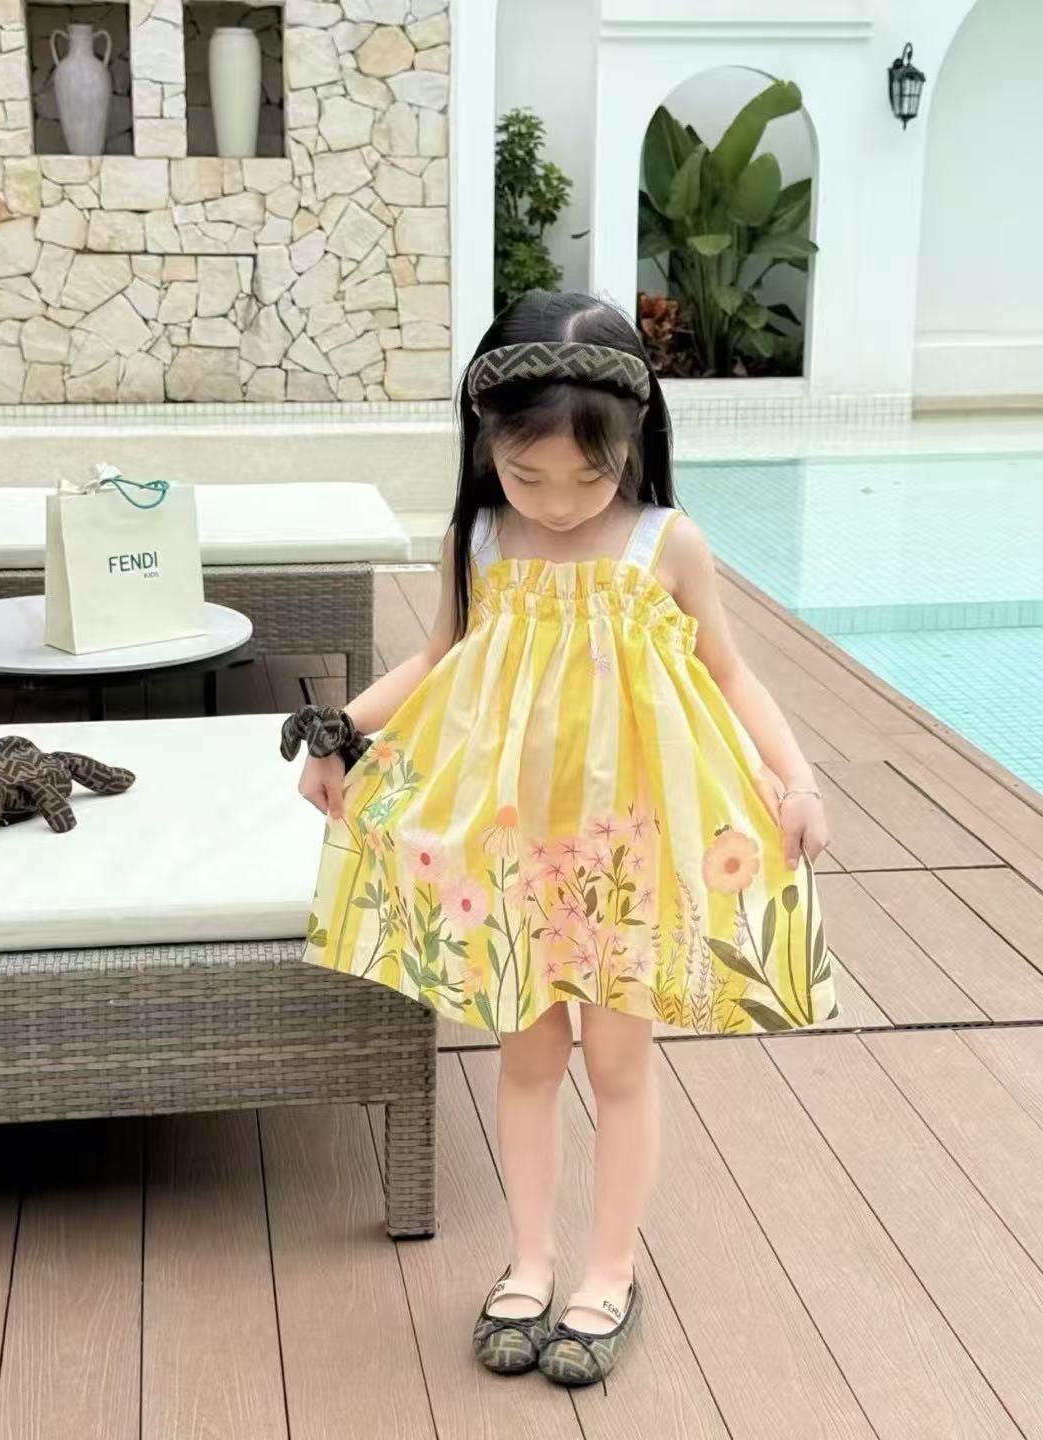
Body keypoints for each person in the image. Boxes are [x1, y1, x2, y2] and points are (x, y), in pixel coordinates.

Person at [284, 289, 835, 1394]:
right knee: (528, 1058)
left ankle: (609, 1271)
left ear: (635, 441)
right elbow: (437, 658)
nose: (562, 501)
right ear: (486, 446)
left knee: (619, 1063)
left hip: (625, 852)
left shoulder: (667, 543)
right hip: (512, 848)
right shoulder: (479, 537)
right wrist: (343, 727)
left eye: (590, 475)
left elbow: (728, 671)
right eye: (528, 474)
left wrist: (796, 775)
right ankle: (530, 1261)